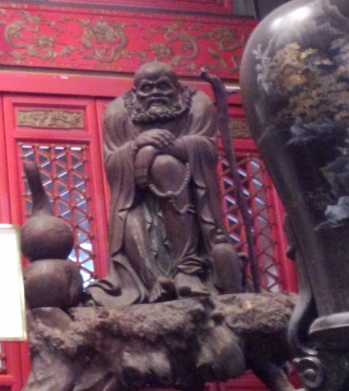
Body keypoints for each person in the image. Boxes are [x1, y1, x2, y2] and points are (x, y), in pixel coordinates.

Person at [89, 61, 243, 306]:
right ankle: (153, 280)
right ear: (135, 92)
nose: (155, 93)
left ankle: (188, 268)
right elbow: (112, 164)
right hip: (137, 195)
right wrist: (136, 146)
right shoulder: (118, 112)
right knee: (127, 219)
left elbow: (206, 149)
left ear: (177, 87)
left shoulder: (197, 103)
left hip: (186, 192)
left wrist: (155, 149)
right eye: (146, 88)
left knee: (165, 165)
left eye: (163, 86)